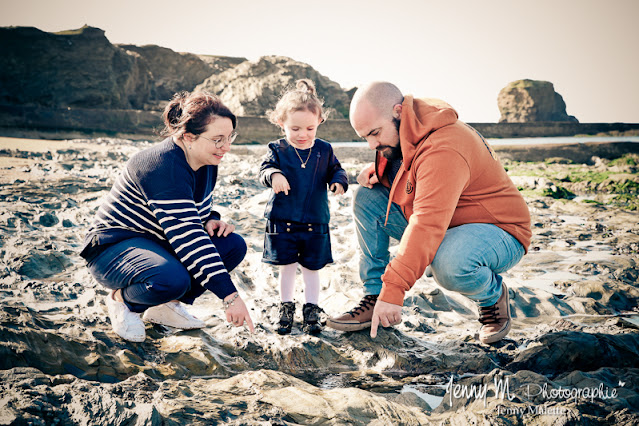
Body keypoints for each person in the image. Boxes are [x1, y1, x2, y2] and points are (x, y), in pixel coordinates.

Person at [326, 82, 531, 344]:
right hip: (450, 223)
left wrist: (395, 292)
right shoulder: (408, 132)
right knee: (367, 197)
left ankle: (493, 296)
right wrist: (380, 171)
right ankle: (373, 296)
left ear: (398, 111)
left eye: (375, 133)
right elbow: (413, 170)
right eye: (365, 137)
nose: (371, 144)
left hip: (500, 231)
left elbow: (426, 222)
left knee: (449, 264)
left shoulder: (444, 146)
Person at [80, 91, 254, 342]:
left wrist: (209, 218)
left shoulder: (207, 161)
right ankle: (123, 301)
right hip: (112, 249)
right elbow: (188, 238)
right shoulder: (160, 166)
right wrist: (231, 297)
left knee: (232, 245)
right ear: (188, 136)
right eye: (218, 139)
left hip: (158, 241)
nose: (226, 147)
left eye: (230, 138)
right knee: (171, 279)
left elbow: (193, 212)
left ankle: (165, 306)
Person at [260, 79, 348, 335]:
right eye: (295, 128)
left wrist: (339, 182)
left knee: (312, 269)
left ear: (319, 122)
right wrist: (274, 175)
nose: (302, 134)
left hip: (315, 222)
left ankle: (311, 310)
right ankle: (285, 308)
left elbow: (337, 170)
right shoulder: (277, 148)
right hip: (283, 220)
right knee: (286, 268)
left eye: (309, 128)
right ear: (281, 123)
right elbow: (264, 169)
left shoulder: (324, 149)